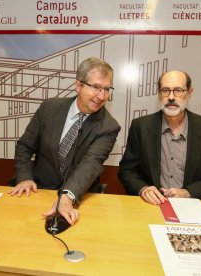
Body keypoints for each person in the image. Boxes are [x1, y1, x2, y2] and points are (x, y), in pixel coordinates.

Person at [8, 57, 121, 226]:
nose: (102, 96)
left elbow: (91, 163)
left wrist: (67, 197)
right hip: (38, 191)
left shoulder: (109, 126)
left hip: (78, 197)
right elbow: (25, 146)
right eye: (96, 87)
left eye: (106, 89)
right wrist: (24, 177)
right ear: (78, 85)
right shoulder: (49, 108)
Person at [118, 70, 201, 205]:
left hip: (194, 205)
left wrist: (189, 192)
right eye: (166, 90)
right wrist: (143, 189)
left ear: (189, 93)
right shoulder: (140, 126)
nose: (171, 97)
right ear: (159, 94)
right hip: (151, 205)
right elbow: (127, 170)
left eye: (178, 90)